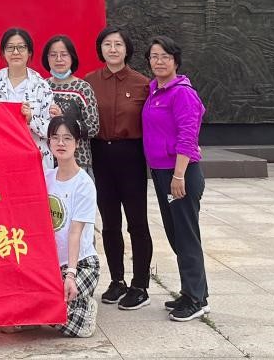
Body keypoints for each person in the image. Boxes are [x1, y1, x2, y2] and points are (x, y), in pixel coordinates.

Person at [85, 25, 153, 309]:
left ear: (127, 50)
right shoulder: (89, 82)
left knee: (137, 222)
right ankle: (117, 281)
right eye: (107, 44)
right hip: (101, 155)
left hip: (131, 155)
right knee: (110, 223)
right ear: (100, 49)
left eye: (118, 45)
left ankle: (140, 285)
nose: (113, 49)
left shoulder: (143, 84)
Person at [143, 34, 210, 322]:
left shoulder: (182, 93)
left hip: (179, 173)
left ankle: (196, 299)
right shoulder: (155, 90)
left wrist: (179, 174)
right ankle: (191, 292)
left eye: (165, 57)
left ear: (176, 61)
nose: (159, 61)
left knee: (186, 234)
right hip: (161, 172)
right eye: (154, 56)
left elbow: (187, 135)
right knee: (175, 233)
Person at [44, 116, 100, 338]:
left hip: (81, 264)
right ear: (49, 142)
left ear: (77, 143)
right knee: (29, 306)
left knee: (48, 307)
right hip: (51, 265)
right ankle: (74, 307)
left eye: (67, 138)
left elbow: (75, 232)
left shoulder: (84, 184)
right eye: (55, 137)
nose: (61, 143)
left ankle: (84, 315)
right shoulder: (46, 177)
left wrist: (70, 274)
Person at [0, 27, 53, 169]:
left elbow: (52, 130)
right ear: (3, 52)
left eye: (21, 47)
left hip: (36, 158)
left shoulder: (42, 87)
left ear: (29, 52)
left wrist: (31, 119)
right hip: (1, 158)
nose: (15, 52)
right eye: (10, 48)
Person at [42, 34, 99, 172]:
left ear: (72, 57)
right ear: (47, 58)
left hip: (78, 162)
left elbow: (93, 127)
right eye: (53, 55)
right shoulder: (41, 86)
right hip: (47, 162)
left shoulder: (83, 88)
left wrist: (63, 120)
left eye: (64, 54)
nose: (58, 59)